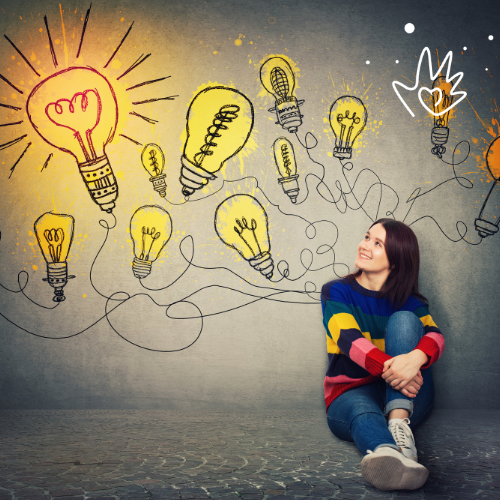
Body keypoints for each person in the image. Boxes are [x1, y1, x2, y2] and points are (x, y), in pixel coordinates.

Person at [321, 218, 444, 491]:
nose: (365, 246)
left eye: (378, 244)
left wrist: (415, 359)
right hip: (350, 392)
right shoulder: (336, 291)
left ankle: (399, 424)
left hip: (409, 397)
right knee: (361, 410)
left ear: (396, 261)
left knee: (404, 320)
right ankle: (388, 455)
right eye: (367, 237)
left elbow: (436, 336)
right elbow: (347, 338)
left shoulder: (411, 302)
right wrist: (396, 371)